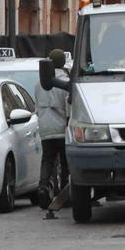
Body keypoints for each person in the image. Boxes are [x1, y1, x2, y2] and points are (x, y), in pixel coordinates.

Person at [34, 49, 71, 209]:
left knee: (47, 161)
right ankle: (64, 194)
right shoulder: (65, 82)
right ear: (63, 62)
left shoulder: (38, 84)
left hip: (45, 127)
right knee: (65, 163)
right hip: (62, 127)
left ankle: (43, 188)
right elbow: (69, 107)